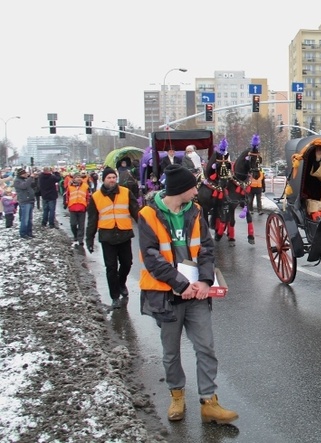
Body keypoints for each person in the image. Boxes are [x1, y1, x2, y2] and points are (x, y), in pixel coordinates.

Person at [138, 164, 238, 425]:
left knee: (206, 347)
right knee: (171, 352)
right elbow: (151, 258)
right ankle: (177, 396)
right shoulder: (147, 215)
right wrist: (181, 284)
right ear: (181, 189)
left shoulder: (195, 211)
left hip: (197, 294)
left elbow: (206, 248)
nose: (197, 190)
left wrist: (204, 281)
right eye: (193, 186)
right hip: (167, 295)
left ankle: (209, 402)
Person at [86, 167, 140, 309]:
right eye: (109, 178)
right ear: (103, 179)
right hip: (107, 236)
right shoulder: (96, 197)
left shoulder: (126, 192)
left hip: (124, 234)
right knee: (111, 268)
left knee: (127, 263)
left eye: (113, 177)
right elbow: (92, 220)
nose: (112, 180)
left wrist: (146, 227)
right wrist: (89, 239)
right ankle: (115, 296)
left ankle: (121, 283)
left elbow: (136, 212)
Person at [65, 171, 90, 246]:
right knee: (73, 224)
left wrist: (88, 205)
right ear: (74, 179)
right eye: (77, 177)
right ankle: (75, 235)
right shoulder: (70, 186)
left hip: (82, 208)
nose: (78, 179)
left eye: (79, 177)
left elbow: (88, 197)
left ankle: (80, 239)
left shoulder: (85, 186)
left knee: (81, 225)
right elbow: (67, 196)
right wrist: (66, 203)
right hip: (72, 207)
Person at [13, 168, 36, 239]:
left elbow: (33, 185)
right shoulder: (17, 181)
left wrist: (34, 178)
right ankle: (23, 233)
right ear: (21, 174)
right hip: (24, 201)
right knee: (25, 219)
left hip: (30, 200)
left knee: (29, 219)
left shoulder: (25, 179)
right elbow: (24, 186)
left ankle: (29, 232)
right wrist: (30, 178)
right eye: (25, 173)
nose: (26, 174)